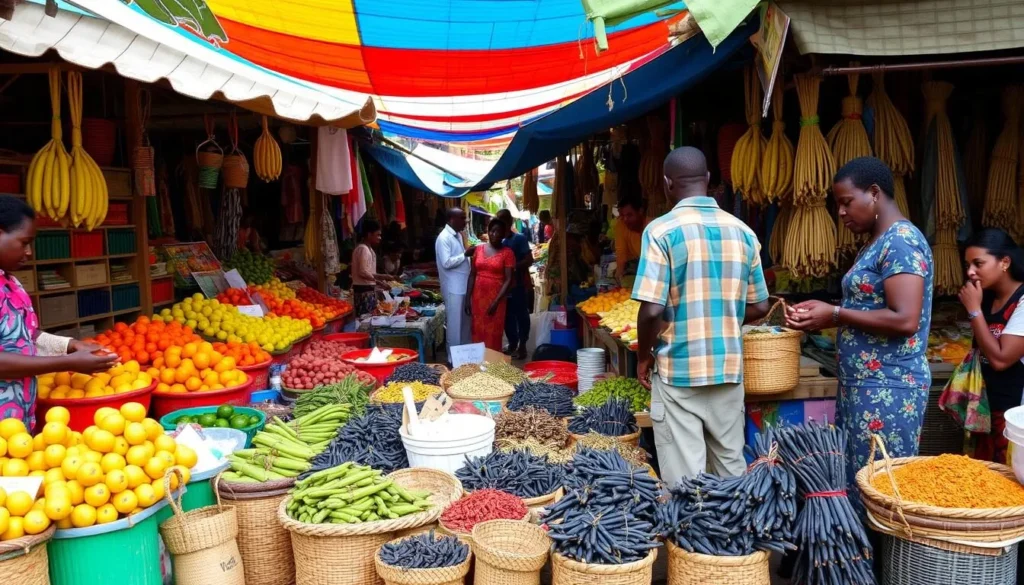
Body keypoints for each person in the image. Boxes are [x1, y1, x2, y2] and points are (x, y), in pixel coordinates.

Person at [786, 156, 933, 506]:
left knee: (882, 489)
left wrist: (836, 314)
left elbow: (905, 318)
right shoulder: (876, 243)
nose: (841, 212)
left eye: (846, 201)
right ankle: (866, 561)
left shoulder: (901, 241)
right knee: (861, 485)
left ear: (874, 193)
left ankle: (886, 562)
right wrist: (828, 312)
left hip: (889, 389)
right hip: (865, 387)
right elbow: (869, 305)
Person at [634, 147, 769, 486]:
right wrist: (721, 317)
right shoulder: (744, 232)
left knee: (686, 478)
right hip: (728, 371)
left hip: (679, 371)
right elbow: (761, 306)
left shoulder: (661, 231)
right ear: (708, 179)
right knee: (730, 469)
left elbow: (651, 309)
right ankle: (734, 535)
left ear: (667, 184)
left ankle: (691, 539)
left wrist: (643, 357)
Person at [0, 196, 119, 427]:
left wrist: (70, 345)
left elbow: (27, 334)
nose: (29, 252)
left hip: (18, 424)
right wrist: (66, 362)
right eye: (24, 242)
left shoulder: (12, 283)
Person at [958, 229, 1024, 464]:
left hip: (1014, 417)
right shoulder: (986, 297)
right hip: (984, 410)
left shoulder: (1022, 301)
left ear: (1005, 261)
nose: (970, 272)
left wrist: (974, 310)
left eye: (978, 263)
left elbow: (1000, 359)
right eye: (968, 265)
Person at [467, 218, 515, 352]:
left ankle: (492, 366)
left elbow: (508, 279)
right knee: (477, 330)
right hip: (477, 298)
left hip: (496, 298)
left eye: (499, 232)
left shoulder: (508, 253)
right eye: (492, 231)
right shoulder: (478, 249)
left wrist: (496, 302)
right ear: (488, 231)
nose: (495, 234)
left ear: (504, 234)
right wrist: (467, 299)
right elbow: (472, 274)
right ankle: (478, 365)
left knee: (493, 332)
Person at [435, 208, 475, 361]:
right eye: (462, 218)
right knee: (454, 325)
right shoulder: (443, 238)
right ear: (452, 219)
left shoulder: (458, 235)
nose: (466, 221)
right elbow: (446, 262)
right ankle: (453, 359)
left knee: (465, 323)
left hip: (464, 286)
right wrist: (465, 254)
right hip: (453, 288)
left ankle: (465, 356)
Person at [496, 209, 533, 359]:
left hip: (518, 284)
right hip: (503, 287)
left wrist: (513, 267)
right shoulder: (499, 241)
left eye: (503, 223)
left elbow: (529, 260)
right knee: (506, 316)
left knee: (521, 315)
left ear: (509, 223)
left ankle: (522, 345)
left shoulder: (519, 239)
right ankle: (512, 343)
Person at [351, 219, 389, 316]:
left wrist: (385, 277)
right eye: (377, 235)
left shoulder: (369, 249)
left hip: (368, 290)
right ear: (369, 234)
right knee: (365, 320)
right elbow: (363, 272)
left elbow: (369, 272)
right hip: (363, 292)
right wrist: (379, 281)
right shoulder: (363, 249)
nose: (380, 238)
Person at [614, 196, 650, 287]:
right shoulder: (621, 225)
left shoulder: (652, 226)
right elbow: (621, 253)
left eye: (629, 215)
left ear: (640, 211)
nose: (625, 219)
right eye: (622, 215)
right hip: (635, 265)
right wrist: (619, 275)